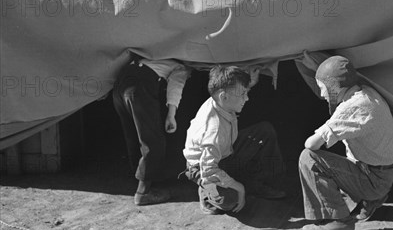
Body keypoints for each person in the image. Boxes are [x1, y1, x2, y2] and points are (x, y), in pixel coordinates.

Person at [299, 56, 393, 230]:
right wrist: (320, 69)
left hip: (373, 180)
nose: (321, 94)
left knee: (309, 157)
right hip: (381, 174)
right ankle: (368, 200)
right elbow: (338, 83)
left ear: (334, 86)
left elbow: (311, 144)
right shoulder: (365, 92)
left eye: (322, 88)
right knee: (339, 149)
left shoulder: (354, 107)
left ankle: (338, 222)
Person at [183, 65, 285, 214]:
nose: (247, 97)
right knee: (230, 201)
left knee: (264, 131)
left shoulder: (219, 98)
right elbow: (209, 170)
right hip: (203, 167)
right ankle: (206, 193)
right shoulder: (213, 130)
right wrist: (240, 188)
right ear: (224, 96)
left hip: (225, 152)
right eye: (243, 93)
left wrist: (248, 85)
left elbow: (231, 90)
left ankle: (257, 183)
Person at [113, 55, 191, 205]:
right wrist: (171, 115)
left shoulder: (154, 51)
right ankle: (143, 193)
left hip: (120, 85)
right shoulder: (181, 66)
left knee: (134, 137)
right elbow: (176, 86)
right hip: (139, 87)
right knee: (153, 141)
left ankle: (138, 181)